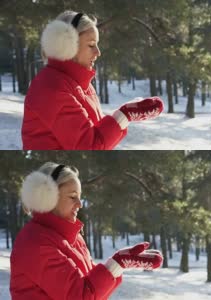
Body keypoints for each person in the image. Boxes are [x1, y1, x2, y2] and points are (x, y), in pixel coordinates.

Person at [10, 162, 163, 299]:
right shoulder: (35, 245)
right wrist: (117, 264)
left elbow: (92, 290)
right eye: (72, 197)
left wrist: (118, 264)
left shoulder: (73, 238)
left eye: (80, 197)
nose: (79, 204)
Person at [22, 11, 164, 150]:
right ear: (66, 46)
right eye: (91, 45)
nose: (98, 52)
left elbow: (96, 136)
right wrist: (123, 116)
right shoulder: (51, 88)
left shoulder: (82, 86)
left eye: (97, 44)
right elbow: (89, 146)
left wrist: (124, 114)